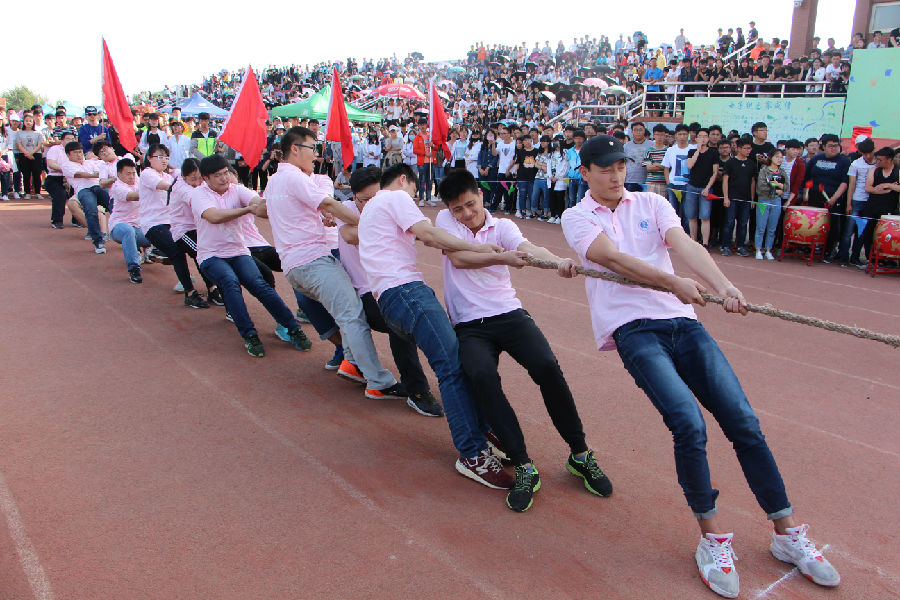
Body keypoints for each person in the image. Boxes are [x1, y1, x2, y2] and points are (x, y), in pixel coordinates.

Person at [561, 134, 840, 599]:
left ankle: (787, 532)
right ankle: (712, 538)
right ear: (585, 172)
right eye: (604, 168)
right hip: (634, 329)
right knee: (688, 424)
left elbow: (684, 244)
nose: (615, 175)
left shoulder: (651, 202)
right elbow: (610, 258)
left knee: (743, 421)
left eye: (620, 166)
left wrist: (724, 286)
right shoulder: (577, 215)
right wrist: (672, 281)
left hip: (683, 323)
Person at [437, 169, 613, 512]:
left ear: (481, 195)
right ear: (450, 210)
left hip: (508, 313)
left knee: (547, 367)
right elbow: (459, 258)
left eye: (471, 204)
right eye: (458, 209)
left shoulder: (502, 227)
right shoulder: (446, 222)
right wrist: (501, 257)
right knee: (482, 377)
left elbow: (528, 248)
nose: (467, 214)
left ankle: (580, 454)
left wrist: (558, 262)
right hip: (470, 325)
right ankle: (522, 464)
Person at [358, 162, 514, 490]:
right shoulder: (396, 197)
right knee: (452, 366)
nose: (414, 198)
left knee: (454, 361)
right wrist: (478, 246)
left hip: (389, 300)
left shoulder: (370, 207)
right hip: (406, 291)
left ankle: (482, 430)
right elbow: (429, 235)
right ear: (404, 180)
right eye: (415, 192)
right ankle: (471, 452)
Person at [261, 126, 407, 400]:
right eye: (312, 148)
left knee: (348, 311)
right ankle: (378, 381)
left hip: (295, 266)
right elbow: (329, 204)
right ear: (295, 149)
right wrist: (370, 224)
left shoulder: (275, 180)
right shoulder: (294, 177)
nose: (316, 155)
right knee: (352, 315)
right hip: (312, 262)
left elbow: (277, 210)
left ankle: (353, 364)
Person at [333, 166, 443, 417]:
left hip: (392, 286)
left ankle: (450, 379)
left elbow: (422, 229)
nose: (370, 204)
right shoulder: (347, 210)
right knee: (399, 324)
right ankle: (417, 391)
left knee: (427, 314)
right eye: (364, 200)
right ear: (353, 197)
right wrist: (383, 219)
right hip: (366, 294)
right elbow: (350, 235)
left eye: (375, 198)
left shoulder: (391, 204)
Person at [191, 154, 311, 357]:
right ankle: (250, 335)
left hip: (238, 251)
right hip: (211, 256)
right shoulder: (198, 194)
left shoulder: (237, 190)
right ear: (206, 178)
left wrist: (269, 201)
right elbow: (213, 216)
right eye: (217, 175)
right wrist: (247, 209)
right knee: (230, 282)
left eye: (225, 172)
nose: (224, 177)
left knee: (259, 284)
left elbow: (260, 206)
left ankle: (293, 328)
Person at [139, 144, 209, 309]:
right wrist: (181, 186)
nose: (164, 160)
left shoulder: (169, 175)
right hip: (154, 223)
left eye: (166, 157)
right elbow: (166, 186)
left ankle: (211, 287)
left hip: (172, 223)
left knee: (197, 250)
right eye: (159, 157)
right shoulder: (147, 173)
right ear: (149, 159)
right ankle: (190, 293)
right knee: (177, 252)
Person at [168, 158, 225, 305]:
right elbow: (197, 200)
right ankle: (192, 293)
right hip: (183, 231)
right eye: (193, 178)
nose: (198, 182)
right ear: (183, 176)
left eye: (200, 178)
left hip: (197, 229)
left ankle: (212, 289)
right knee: (202, 253)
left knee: (207, 253)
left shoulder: (199, 184)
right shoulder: (182, 188)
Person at [60, 141, 109, 253]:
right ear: (68, 155)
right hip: (84, 190)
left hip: (98, 187)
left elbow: (102, 170)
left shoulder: (90, 163)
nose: (79, 155)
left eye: (80, 152)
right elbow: (80, 174)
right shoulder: (66, 165)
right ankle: (98, 242)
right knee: (91, 211)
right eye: (75, 153)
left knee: (113, 204)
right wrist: (96, 174)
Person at [107, 158, 151, 283]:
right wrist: (151, 193)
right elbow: (131, 196)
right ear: (119, 174)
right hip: (119, 226)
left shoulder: (138, 181)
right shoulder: (117, 187)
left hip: (139, 227)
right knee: (128, 231)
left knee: (157, 232)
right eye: (128, 174)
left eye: (133, 173)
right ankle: (134, 269)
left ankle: (149, 250)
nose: (131, 176)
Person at [840, 137, 875, 267]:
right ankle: (844, 257)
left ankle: (855, 257)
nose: (868, 156)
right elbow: (852, 185)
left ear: (874, 150)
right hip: (857, 200)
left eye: (870, 153)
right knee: (848, 231)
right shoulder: (855, 164)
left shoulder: (878, 163)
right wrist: (849, 203)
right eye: (864, 154)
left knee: (862, 232)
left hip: (870, 201)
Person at [721, 136, 756, 256]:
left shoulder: (751, 164)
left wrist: (752, 199)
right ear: (739, 148)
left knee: (743, 223)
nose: (748, 151)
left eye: (749, 148)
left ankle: (740, 246)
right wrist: (726, 197)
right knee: (729, 223)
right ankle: (726, 246)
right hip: (732, 198)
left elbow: (752, 182)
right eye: (746, 148)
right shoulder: (730, 163)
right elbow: (725, 180)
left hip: (746, 199)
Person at [684, 128, 719, 247]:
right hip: (692, 187)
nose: (703, 139)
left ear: (708, 138)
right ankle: (693, 241)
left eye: (705, 136)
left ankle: (705, 243)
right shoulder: (691, 151)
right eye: (700, 136)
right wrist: (698, 150)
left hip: (706, 188)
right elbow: (689, 165)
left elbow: (715, 173)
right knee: (691, 216)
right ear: (696, 138)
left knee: (705, 216)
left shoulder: (713, 153)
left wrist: (707, 188)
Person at [754, 149, 787, 260]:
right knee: (761, 226)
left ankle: (768, 249)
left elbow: (786, 186)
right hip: (764, 200)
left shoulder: (782, 171)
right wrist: (776, 189)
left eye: (781, 157)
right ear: (771, 157)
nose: (779, 159)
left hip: (776, 201)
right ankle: (758, 249)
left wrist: (780, 186)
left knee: (772, 228)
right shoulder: (764, 170)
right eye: (777, 157)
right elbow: (761, 186)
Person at [662, 123, 692, 229]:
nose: (682, 137)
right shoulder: (670, 150)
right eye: (680, 134)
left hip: (688, 186)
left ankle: (686, 234)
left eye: (685, 134)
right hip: (673, 185)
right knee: (673, 212)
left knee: (687, 213)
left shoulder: (693, 149)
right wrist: (668, 183)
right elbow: (666, 167)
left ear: (688, 135)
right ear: (675, 136)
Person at [44, 129, 76, 228]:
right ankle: (57, 220)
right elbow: (51, 164)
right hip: (55, 177)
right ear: (62, 141)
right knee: (60, 194)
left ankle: (77, 220)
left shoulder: (77, 150)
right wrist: (65, 169)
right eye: (68, 139)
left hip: (71, 178)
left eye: (72, 139)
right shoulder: (55, 149)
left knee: (81, 193)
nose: (70, 141)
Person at [14, 113, 43, 199]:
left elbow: (39, 145)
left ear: (33, 122)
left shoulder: (38, 132)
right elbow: (19, 145)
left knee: (37, 174)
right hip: (24, 155)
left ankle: (38, 192)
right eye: (26, 121)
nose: (28, 122)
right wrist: (27, 154)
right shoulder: (19, 133)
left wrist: (31, 153)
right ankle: (27, 193)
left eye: (30, 121)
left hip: (36, 155)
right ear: (23, 122)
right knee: (26, 174)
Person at [623, 122, 651, 192]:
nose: (638, 132)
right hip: (630, 180)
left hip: (646, 181)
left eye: (640, 130)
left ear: (644, 131)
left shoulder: (651, 145)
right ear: (632, 131)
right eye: (635, 130)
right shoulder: (626, 146)